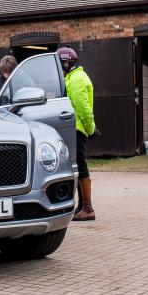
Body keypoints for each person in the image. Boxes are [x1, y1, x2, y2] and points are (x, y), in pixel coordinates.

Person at [58, 46, 97, 222]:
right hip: (75, 128)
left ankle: (88, 208)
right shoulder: (72, 78)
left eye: (60, 64)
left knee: (81, 167)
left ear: (67, 63)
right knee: (78, 167)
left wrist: (90, 129)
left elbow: (83, 109)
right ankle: (81, 206)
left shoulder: (76, 80)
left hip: (77, 129)